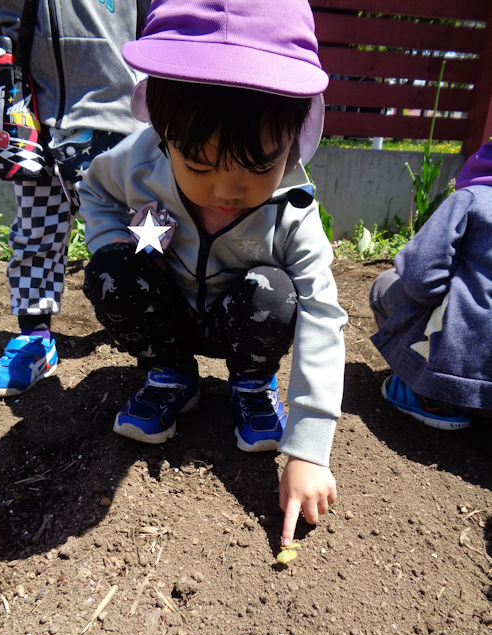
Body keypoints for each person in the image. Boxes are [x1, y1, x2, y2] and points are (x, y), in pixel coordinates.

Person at [79, 0, 347, 546]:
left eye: (259, 164)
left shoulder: (292, 207)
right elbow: (94, 190)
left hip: (241, 324)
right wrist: (122, 240)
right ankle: (170, 374)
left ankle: (252, 385)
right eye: (198, 164)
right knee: (111, 272)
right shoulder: (138, 160)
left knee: (275, 290)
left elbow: (322, 310)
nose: (228, 189)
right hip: (168, 311)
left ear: (296, 135)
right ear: (163, 130)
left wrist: (309, 446)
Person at [0, 0, 149, 397]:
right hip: (37, 118)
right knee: (36, 233)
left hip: (124, 121)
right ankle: (35, 338)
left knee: (146, 234)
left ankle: (159, 342)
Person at [370, 141, 492, 430]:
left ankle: (428, 393)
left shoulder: (473, 198)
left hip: (465, 385)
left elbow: (421, 276)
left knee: (386, 286)